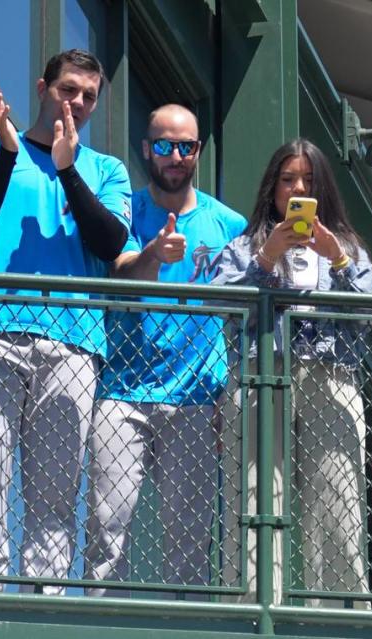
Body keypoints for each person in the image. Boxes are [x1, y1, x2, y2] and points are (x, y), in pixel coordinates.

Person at [0, 49, 132, 592]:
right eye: (67, 89)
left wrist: (68, 168)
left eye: (88, 96)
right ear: (42, 87)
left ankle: (37, 612)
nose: (76, 102)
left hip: (73, 344)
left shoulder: (106, 170)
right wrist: (10, 154)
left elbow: (111, 241)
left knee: (55, 497)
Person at [211, 138, 372, 606]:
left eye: (308, 180)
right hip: (258, 375)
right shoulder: (244, 245)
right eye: (288, 179)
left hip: (332, 377)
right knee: (252, 501)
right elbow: (219, 304)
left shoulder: (347, 246)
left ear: (322, 189)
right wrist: (266, 259)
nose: (298, 188)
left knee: (337, 506)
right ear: (272, 187)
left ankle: (336, 618)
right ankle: (253, 612)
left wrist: (339, 258)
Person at [84, 104, 246, 596]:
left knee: (191, 543)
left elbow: (241, 317)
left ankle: (187, 626)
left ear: (198, 151)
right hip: (120, 392)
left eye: (186, 146)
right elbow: (120, 279)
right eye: (163, 145)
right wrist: (153, 253)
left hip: (198, 397)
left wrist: (229, 391)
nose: (175, 156)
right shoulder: (124, 213)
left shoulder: (229, 224)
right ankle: (101, 629)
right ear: (145, 149)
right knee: (105, 535)